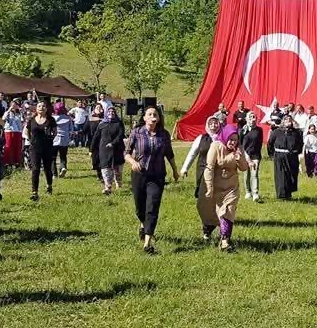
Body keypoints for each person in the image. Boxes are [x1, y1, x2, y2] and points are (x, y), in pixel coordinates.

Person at [126, 106, 179, 254]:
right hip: (139, 175)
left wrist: (175, 171)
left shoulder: (164, 134)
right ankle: (143, 225)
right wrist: (133, 162)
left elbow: (169, 154)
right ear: (144, 118)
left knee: (152, 207)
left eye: (155, 114)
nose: (152, 116)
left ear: (159, 118)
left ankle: (148, 244)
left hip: (157, 176)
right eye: (149, 114)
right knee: (140, 208)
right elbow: (126, 153)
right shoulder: (137, 132)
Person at [203, 125, 249, 251]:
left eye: (235, 140)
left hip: (232, 187)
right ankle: (209, 231)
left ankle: (225, 241)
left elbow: (244, 168)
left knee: (229, 211)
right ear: (225, 137)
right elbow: (209, 168)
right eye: (230, 139)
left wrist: (240, 159)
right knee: (217, 213)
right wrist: (209, 187)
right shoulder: (216, 146)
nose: (233, 142)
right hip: (217, 187)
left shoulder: (238, 149)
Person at [181, 116, 222, 239]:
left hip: (218, 173)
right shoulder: (201, 138)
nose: (213, 125)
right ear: (207, 125)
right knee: (203, 201)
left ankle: (215, 227)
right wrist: (185, 168)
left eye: (216, 123)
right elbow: (192, 153)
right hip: (203, 173)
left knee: (216, 200)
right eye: (211, 123)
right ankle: (207, 226)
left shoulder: (223, 138)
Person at [90, 107, 125, 195]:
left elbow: (121, 135)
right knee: (105, 168)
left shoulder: (119, 123)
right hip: (104, 149)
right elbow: (96, 137)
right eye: (109, 112)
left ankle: (118, 184)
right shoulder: (102, 124)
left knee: (117, 169)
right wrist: (91, 149)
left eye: (113, 112)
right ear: (106, 113)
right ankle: (108, 187)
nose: (111, 113)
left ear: (115, 113)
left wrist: (113, 143)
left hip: (117, 149)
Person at [268, 115, 303, 200]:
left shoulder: (296, 132)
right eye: (286, 120)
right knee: (281, 175)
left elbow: (300, 144)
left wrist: (296, 152)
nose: (288, 121)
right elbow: (270, 143)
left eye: (290, 120)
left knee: (291, 175)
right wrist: (272, 154)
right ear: (283, 121)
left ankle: (288, 193)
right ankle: (281, 195)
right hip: (280, 156)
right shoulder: (277, 132)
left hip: (292, 156)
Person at [26, 101, 56, 201]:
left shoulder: (50, 120)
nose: (41, 107)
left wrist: (50, 139)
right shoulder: (31, 120)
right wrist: (31, 140)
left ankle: (49, 186)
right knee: (35, 169)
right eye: (39, 106)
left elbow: (55, 132)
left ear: (46, 109)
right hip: (34, 148)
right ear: (36, 108)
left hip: (47, 147)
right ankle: (34, 192)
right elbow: (27, 131)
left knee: (47, 168)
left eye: (43, 106)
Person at [241, 112, 263, 202]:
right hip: (245, 154)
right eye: (250, 117)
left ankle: (255, 193)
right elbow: (241, 145)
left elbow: (259, 144)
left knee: (254, 174)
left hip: (255, 155)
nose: (252, 119)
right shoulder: (243, 130)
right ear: (246, 119)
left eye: (254, 117)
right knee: (246, 174)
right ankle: (248, 192)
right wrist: (246, 157)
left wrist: (256, 158)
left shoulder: (259, 130)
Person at [52, 103, 73, 177]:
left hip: (54, 139)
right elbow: (71, 129)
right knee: (63, 156)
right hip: (64, 139)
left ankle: (54, 174)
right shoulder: (68, 118)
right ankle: (63, 167)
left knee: (53, 157)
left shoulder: (52, 118)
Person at [2, 99, 24, 168]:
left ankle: (16, 162)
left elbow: (23, 120)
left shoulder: (18, 113)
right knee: (9, 146)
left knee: (17, 146)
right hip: (9, 131)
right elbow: (3, 118)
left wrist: (21, 112)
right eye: (12, 105)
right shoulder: (8, 113)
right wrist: (9, 110)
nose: (14, 106)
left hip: (18, 131)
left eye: (15, 105)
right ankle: (7, 162)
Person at [86, 103, 105, 178]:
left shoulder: (105, 119)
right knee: (95, 159)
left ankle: (103, 174)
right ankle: (99, 172)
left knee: (103, 158)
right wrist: (77, 132)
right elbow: (85, 129)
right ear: (94, 109)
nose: (99, 109)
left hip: (103, 141)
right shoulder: (90, 119)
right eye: (97, 107)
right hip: (93, 142)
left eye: (100, 107)